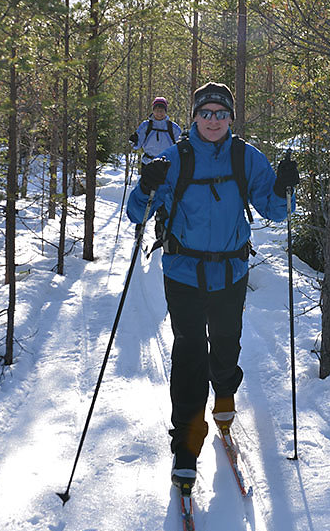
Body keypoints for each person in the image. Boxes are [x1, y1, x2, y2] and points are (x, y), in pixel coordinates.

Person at [126, 81, 299, 488]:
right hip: (183, 271)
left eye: (221, 114)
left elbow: (275, 211)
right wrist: (147, 185)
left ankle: (224, 396)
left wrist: (285, 186)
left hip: (231, 272)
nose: (214, 120)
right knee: (189, 352)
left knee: (225, 344)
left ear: (231, 119)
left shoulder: (245, 158)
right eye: (206, 113)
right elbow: (139, 212)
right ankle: (186, 443)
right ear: (194, 117)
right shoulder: (175, 158)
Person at [128, 97, 182, 164]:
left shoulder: (173, 127)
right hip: (148, 163)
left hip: (168, 164)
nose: (159, 113)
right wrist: (134, 141)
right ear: (153, 111)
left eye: (161, 111)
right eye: (156, 110)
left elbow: (181, 147)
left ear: (165, 111)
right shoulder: (146, 126)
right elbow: (137, 145)